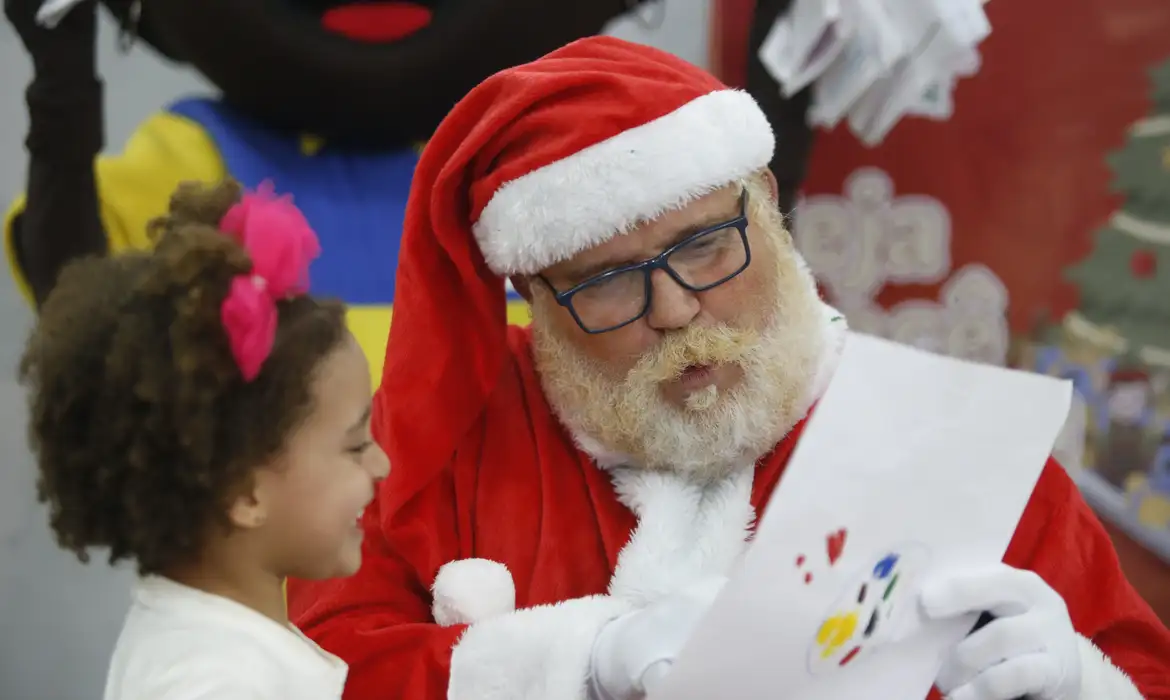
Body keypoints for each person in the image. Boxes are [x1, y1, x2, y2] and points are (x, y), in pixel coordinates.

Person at [287, 37, 1170, 700]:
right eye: (604, 283)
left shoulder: (942, 445)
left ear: (768, 207)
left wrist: (1085, 688)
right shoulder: (442, 442)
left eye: (705, 246)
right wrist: (572, 663)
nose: (674, 309)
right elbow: (301, 672)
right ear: (531, 293)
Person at [2, 0, 655, 387]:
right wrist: (61, 92)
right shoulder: (201, 160)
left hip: (521, 588)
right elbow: (76, 295)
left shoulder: (546, 157)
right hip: (285, 603)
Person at [19, 179, 390, 699]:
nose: (382, 465)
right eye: (354, 446)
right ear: (244, 491)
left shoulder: (217, 639)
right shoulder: (214, 684)